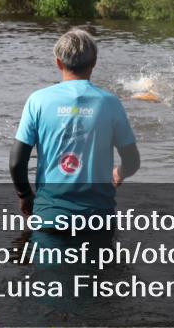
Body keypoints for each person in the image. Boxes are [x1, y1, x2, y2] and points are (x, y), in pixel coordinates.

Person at [8, 29, 140, 228]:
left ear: (58, 63)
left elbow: (17, 162)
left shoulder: (38, 101)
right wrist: (119, 173)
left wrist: (25, 195)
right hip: (98, 220)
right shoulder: (110, 103)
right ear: (94, 62)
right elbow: (132, 161)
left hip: (50, 217)